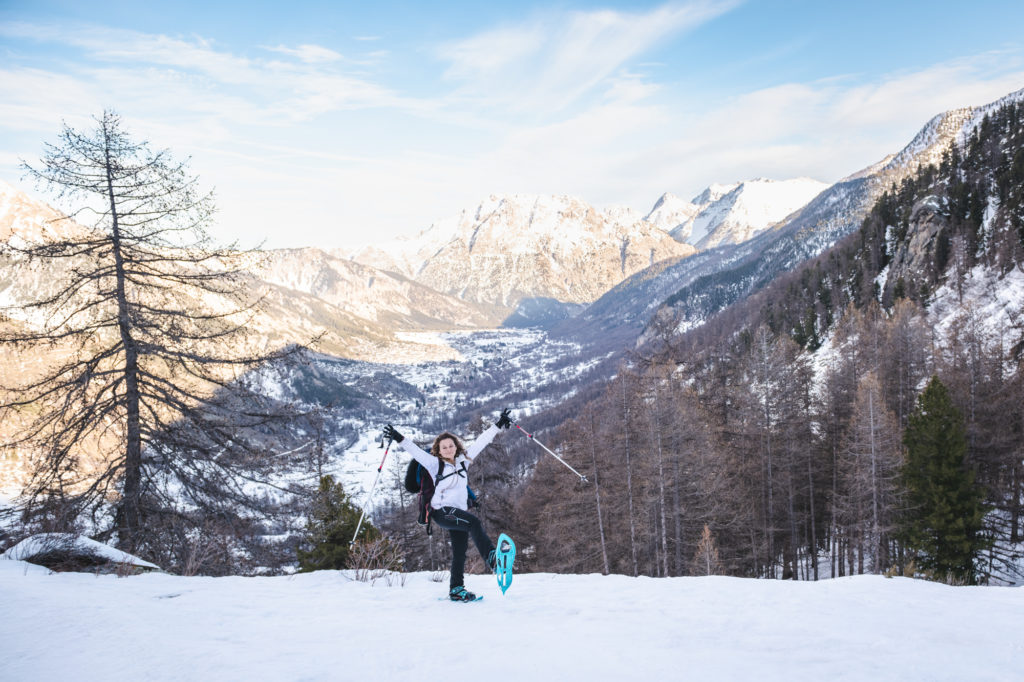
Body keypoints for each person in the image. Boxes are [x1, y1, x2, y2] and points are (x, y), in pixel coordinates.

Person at [383, 408, 512, 602]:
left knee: (459, 552)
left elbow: (481, 442)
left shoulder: (463, 461)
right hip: (441, 512)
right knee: (474, 523)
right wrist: (398, 437)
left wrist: (498, 425)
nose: (448, 449)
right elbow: (415, 451)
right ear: (438, 450)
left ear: (456, 446)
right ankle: (494, 561)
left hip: (458, 512)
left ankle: (456, 589)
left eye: (451, 446)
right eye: (444, 447)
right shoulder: (434, 464)